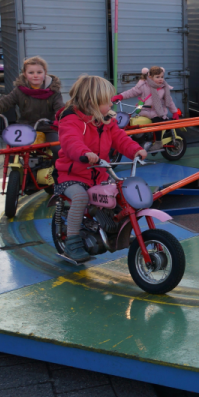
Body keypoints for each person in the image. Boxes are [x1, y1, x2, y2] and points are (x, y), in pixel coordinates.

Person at [54, 76, 147, 263]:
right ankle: (72, 242)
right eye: (107, 102)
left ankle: (113, 230)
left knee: (120, 193)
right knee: (80, 197)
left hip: (99, 174)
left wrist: (135, 150)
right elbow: (70, 141)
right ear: (92, 103)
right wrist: (84, 152)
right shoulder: (71, 120)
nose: (111, 105)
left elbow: (120, 139)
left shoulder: (106, 120)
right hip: (71, 175)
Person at [0, 56, 65, 153]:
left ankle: (58, 168)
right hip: (25, 127)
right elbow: (3, 102)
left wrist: (61, 120)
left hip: (48, 128)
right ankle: (12, 166)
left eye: (39, 72)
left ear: (45, 73)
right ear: (25, 74)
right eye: (31, 73)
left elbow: (60, 108)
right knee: (12, 149)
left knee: (58, 149)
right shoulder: (20, 91)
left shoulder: (53, 91)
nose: (35, 75)